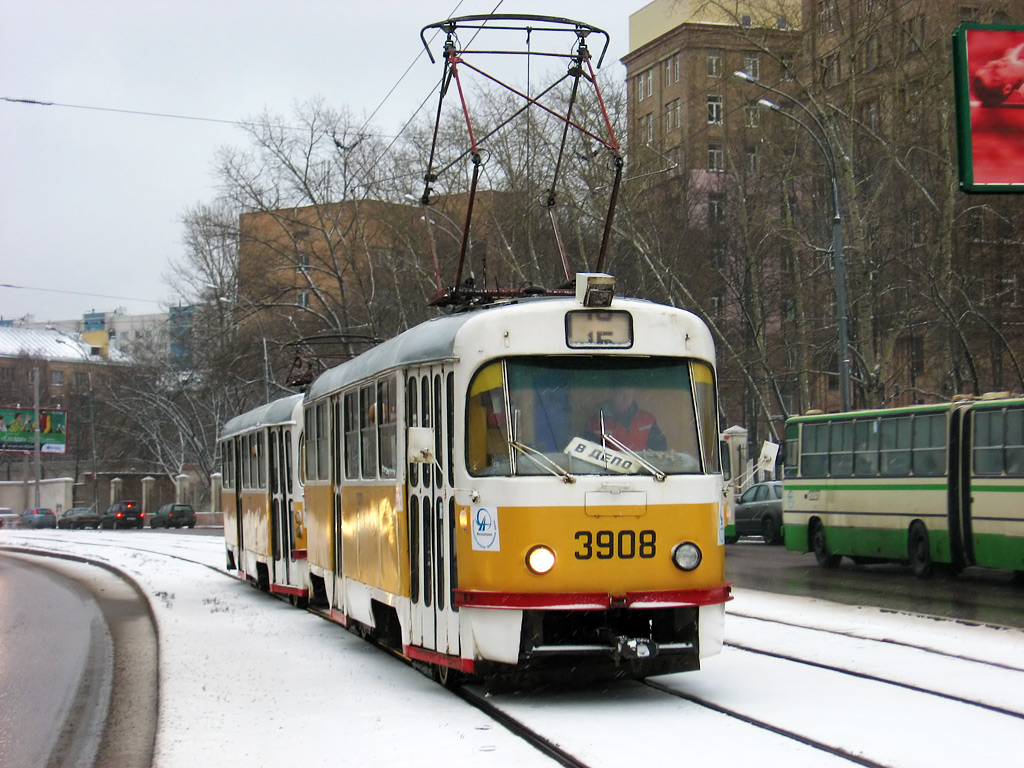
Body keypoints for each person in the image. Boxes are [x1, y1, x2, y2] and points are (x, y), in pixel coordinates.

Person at [588, 388, 667, 452]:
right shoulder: (595, 423)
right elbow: (588, 453)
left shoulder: (648, 420)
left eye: (629, 395)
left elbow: (660, 452)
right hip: (608, 470)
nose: (625, 399)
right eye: (621, 394)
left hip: (643, 469)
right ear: (612, 394)